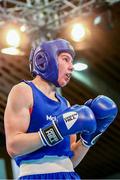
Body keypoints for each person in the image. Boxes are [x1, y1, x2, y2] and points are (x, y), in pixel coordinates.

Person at [4, 39, 118, 180]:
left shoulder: (66, 104)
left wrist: (88, 139)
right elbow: (13, 147)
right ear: (44, 60)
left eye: (72, 62)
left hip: (68, 175)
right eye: (66, 59)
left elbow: (71, 161)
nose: (71, 67)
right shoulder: (23, 91)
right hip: (35, 176)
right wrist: (55, 131)